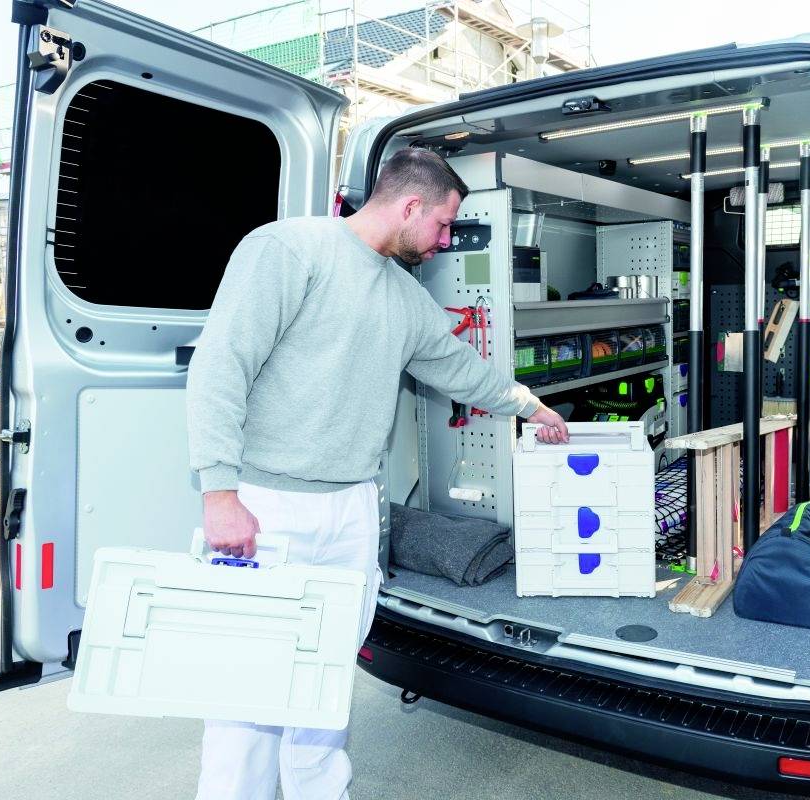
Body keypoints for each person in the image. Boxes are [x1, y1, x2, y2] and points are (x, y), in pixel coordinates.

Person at [186, 147, 568, 800]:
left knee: (326, 680)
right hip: (267, 506)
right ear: (410, 205)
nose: (445, 242)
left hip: (353, 508)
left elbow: (458, 368)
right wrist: (219, 492)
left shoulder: (404, 297)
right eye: (443, 225)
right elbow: (221, 365)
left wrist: (531, 407)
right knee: (249, 690)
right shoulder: (288, 251)